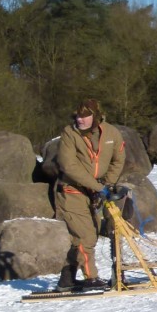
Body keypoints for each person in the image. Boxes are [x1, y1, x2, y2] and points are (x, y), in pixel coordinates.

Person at [54, 99, 126, 290]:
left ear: (95, 116)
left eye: (85, 115)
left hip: (94, 192)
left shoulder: (111, 133)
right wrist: (96, 186)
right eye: (77, 115)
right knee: (86, 237)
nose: (80, 119)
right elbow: (68, 166)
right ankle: (90, 278)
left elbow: (118, 159)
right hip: (72, 190)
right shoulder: (69, 133)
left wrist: (106, 184)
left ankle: (66, 278)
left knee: (86, 235)